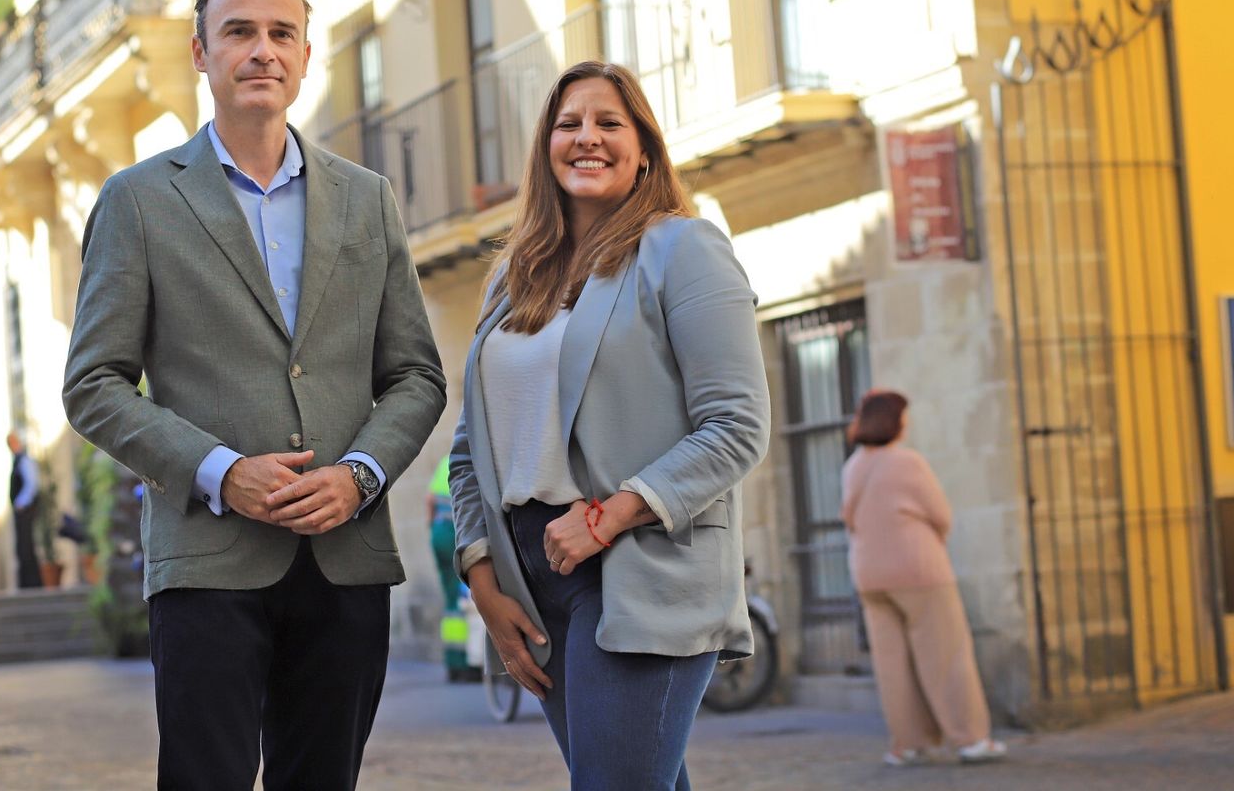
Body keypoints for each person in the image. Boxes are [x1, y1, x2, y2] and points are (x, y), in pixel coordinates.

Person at [62, 0, 446, 790]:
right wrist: (221, 472)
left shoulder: (368, 199)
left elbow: (416, 375)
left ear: (306, 56)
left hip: (345, 556)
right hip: (208, 560)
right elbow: (93, 383)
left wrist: (361, 476)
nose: (262, 50)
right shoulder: (137, 201)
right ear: (201, 53)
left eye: (281, 33)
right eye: (239, 31)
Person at [448, 61, 770, 790]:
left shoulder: (683, 250)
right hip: (533, 578)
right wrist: (480, 573)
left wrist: (608, 516)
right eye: (569, 124)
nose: (586, 137)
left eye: (608, 123)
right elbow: (472, 448)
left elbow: (737, 424)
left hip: (639, 563)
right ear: (545, 148)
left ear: (645, 150)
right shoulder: (513, 274)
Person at [841, 389, 1007, 766]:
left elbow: (849, 518)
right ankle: (971, 739)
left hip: (869, 575)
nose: (907, 422)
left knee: (892, 664)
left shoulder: (852, 466)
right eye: (904, 416)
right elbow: (941, 515)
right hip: (919, 570)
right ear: (894, 421)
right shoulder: (907, 463)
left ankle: (907, 745)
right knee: (947, 657)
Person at [427, 454, 473, 681]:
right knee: (465, 596)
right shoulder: (467, 457)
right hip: (456, 533)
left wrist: (433, 532)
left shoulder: (444, 461)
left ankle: (453, 663)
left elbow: (430, 501)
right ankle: (468, 662)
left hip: (439, 534)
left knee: (450, 599)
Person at [6, 432, 43, 589]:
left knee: (26, 546)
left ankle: (32, 583)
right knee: (22, 547)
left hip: (25, 510)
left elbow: (32, 483)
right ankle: (27, 583)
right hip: (21, 510)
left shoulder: (25, 460)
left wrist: (21, 503)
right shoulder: (17, 461)